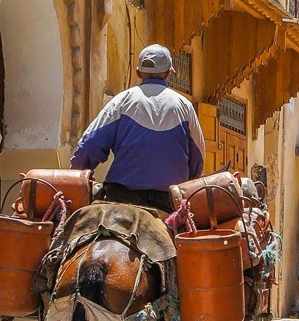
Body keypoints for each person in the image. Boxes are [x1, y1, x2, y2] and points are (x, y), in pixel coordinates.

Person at [70, 44, 205, 213]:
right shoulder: (185, 106)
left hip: (121, 196)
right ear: (169, 74)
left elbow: (90, 144)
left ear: (138, 73)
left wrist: (77, 175)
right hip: (169, 201)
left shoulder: (122, 101)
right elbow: (197, 158)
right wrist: (185, 184)